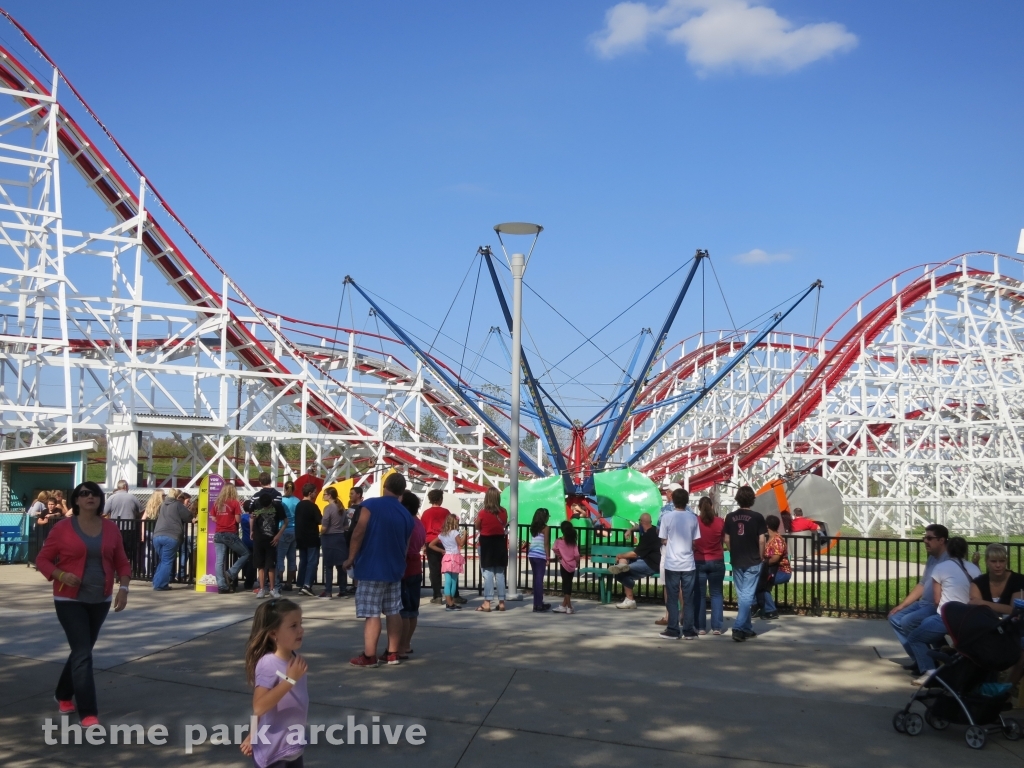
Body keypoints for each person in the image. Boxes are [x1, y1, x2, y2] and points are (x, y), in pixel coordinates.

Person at [36, 481, 131, 727]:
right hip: (68, 598)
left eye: (94, 494)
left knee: (83, 650)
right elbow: (43, 560)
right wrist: (60, 575)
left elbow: (121, 561)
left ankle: (63, 693)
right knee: (82, 653)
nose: (90, 497)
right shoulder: (62, 528)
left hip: (100, 598)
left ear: (100, 500)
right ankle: (88, 713)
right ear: (76, 500)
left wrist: (124, 588)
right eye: (84, 494)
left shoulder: (111, 529)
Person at [344, 472, 415, 667]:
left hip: (371, 566)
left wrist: (351, 557)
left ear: (386, 486)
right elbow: (406, 545)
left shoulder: (372, 505)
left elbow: (359, 531)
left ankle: (369, 656)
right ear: (402, 490)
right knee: (393, 609)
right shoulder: (406, 514)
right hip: (395, 568)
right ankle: (392, 653)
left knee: (372, 612)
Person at [240, 598, 308, 768]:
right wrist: (290, 680)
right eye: (293, 626)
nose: (301, 630)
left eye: (300, 623)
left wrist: (252, 733)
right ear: (273, 633)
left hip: (291, 746)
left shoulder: (294, 659)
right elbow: (259, 706)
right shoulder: (268, 664)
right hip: (273, 753)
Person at [906, 537, 981, 685]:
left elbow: (936, 599)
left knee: (915, 637)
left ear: (948, 549)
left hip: (949, 617)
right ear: (965, 551)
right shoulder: (974, 568)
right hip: (970, 616)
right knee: (927, 622)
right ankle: (941, 657)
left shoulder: (941, 568)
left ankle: (930, 672)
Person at [887, 524, 949, 668]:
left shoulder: (948, 560)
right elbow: (922, 584)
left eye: (929, 538)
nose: (925, 541)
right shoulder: (933, 558)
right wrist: (902, 606)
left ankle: (927, 664)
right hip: (924, 603)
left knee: (908, 621)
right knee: (895, 617)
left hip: (937, 606)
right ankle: (920, 660)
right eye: (924, 538)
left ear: (941, 540)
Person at [970, 544, 1024, 701]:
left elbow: (1015, 610)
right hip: (988, 629)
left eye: (1002, 560)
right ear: (986, 562)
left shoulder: (1018, 580)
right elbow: (973, 607)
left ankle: (1004, 691)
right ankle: (982, 688)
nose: (998, 565)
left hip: (1015, 628)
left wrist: (982, 603)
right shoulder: (978, 582)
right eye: (994, 561)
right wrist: (998, 607)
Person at [724, 486, 767, 642]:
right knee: (747, 595)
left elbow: (727, 539)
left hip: (737, 559)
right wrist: (761, 555)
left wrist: (732, 551)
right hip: (753, 559)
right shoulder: (757, 517)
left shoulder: (729, 517)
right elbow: (762, 539)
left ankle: (747, 628)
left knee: (743, 595)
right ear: (752, 499)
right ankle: (738, 627)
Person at [659, 488, 701, 640]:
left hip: (672, 562)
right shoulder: (693, 518)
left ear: (673, 500)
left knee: (672, 597)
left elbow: (663, 538)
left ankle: (673, 629)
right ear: (687, 501)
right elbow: (695, 540)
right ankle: (689, 630)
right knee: (688, 597)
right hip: (688, 562)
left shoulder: (667, 517)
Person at [246, 472, 287, 599]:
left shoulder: (256, 498)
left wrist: (251, 529)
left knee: (269, 565)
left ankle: (270, 588)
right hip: (264, 536)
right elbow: (253, 515)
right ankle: (265, 588)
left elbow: (251, 516)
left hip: (270, 537)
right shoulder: (278, 496)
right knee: (263, 565)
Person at [607, 513, 661, 609]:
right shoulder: (650, 528)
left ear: (641, 521)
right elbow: (637, 527)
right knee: (623, 565)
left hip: (651, 564)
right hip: (645, 559)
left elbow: (635, 554)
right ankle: (621, 565)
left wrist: (619, 555)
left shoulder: (649, 535)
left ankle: (630, 600)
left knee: (624, 572)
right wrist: (630, 529)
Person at [399, 490, 426, 657]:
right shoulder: (420, 523)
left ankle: (400, 646)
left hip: (406, 566)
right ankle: (407, 643)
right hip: (416, 565)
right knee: (413, 610)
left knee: (403, 611)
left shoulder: (407, 523)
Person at [693, 496, 725, 635]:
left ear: (699, 508)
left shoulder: (695, 522)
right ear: (712, 506)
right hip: (717, 560)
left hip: (699, 560)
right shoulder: (720, 522)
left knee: (699, 595)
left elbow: (692, 541)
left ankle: (700, 627)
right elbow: (723, 540)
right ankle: (716, 627)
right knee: (716, 594)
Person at [151, 488, 195, 591]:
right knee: (167, 561)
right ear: (178, 497)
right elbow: (188, 516)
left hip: (157, 535)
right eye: (182, 497)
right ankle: (161, 585)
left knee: (163, 560)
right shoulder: (177, 504)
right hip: (171, 536)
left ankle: (157, 582)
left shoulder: (163, 505)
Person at [475, 487, 508, 612]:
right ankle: (501, 602)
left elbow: (478, 525)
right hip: (500, 543)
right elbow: (503, 524)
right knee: (500, 573)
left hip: (486, 543)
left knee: (488, 573)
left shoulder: (483, 513)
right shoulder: (504, 512)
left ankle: (487, 602)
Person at [213, 484, 249, 593]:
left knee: (219, 560)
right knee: (246, 553)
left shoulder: (217, 503)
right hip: (230, 533)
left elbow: (213, 517)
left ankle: (221, 585)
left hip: (218, 533)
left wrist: (221, 520)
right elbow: (238, 520)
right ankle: (230, 573)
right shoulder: (234, 502)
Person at [755, 514, 792, 620]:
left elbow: (775, 558)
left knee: (763, 584)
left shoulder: (777, 540)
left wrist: (763, 563)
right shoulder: (771, 539)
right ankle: (762, 608)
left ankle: (771, 610)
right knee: (759, 583)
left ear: (767, 526)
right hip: (772, 570)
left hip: (782, 571)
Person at [422, 489, 453, 605]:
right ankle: (453, 594)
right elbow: (450, 526)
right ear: (440, 499)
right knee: (449, 569)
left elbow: (423, 529)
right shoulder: (446, 512)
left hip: (430, 542)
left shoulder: (426, 513)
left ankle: (437, 595)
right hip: (445, 541)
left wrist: (424, 545)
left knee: (434, 569)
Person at [429, 513, 466, 611]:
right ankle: (451, 603)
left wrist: (441, 550)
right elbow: (461, 543)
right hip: (455, 558)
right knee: (453, 582)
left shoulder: (442, 534)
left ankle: (449, 603)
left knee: (447, 581)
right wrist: (465, 534)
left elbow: (431, 545)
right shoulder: (455, 533)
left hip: (446, 558)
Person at [317, 487, 347, 598]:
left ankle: (328, 591)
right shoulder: (341, 508)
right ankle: (343, 590)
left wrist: (321, 533)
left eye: (324, 494)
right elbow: (346, 525)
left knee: (328, 566)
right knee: (341, 566)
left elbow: (324, 525)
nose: (323, 496)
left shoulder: (328, 508)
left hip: (329, 537)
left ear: (329, 495)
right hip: (340, 537)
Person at [295, 483, 323, 596]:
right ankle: (307, 584)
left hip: (300, 537)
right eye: (315, 492)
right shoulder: (312, 506)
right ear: (310, 493)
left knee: (303, 561)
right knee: (312, 562)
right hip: (311, 537)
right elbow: (319, 520)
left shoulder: (299, 505)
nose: (316, 494)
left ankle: (301, 583)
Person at [527, 508, 552, 613]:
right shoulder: (546, 528)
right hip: (540, 555)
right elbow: (546, 543)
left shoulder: (533, 527)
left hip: (532, 554)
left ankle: (536, 603)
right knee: (539, 580)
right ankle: (538, 604)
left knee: (536, 579)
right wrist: (548, 557)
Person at [276, 480, 299, 592]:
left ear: (284, 488)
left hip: (283, 530)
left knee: (280, 557)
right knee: (292, 558)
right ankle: (289, 583)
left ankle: (278, 582)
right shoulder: (297, 501)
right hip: (294, 531)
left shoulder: (282, 501)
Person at [552, 521, 580, 614]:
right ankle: (565, 606)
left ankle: (568, 606)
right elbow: (576, 554)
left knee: (565, 585)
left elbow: (554, 548)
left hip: (563, 564)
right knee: (569, 584)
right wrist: (577, 562)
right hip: (572, 565)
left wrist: (559, 555)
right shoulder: (573, 541)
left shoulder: (559, 540)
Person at [342, 485, 365, 594]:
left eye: (352, 493)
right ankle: (355, 584)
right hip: (347, 537)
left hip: (354, 538)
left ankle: (357, 585)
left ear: (358, 495)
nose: (349, 495)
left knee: (356, 561)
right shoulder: (351, 508)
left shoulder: (361, 509)